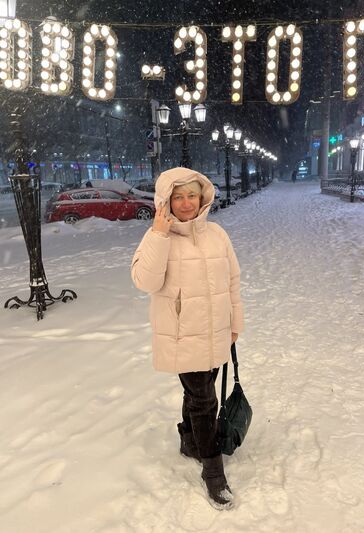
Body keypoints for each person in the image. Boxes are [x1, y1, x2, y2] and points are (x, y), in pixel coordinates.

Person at [131, 167, 244, 510]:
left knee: (197, 393)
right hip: (182, 334)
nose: (185, 203)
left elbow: (232, 280)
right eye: (177, 197)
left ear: (202, 197)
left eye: (191, 195)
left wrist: (235, 322)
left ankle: (189, 440)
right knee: (204, 400)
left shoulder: (217, 234)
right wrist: (158, 234)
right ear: (166, 201)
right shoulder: (158, 236)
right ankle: (212, 469)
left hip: (215, 331)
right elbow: (145, 282)